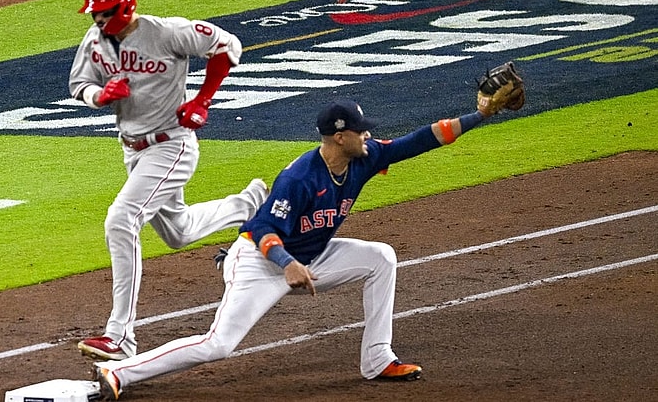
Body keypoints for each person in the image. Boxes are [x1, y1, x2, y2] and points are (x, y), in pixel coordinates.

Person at [91, 93, 520, 400]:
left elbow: (420, 140)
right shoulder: (299, 179)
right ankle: (119, 373)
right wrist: (287, 264)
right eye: (359, 131)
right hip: (260, 261)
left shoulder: (365, 156)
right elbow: (262, 229)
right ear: (337, 137)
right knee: (219, 344)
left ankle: (377, 358)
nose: (367, 135)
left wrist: (480, 114)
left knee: (380, 258)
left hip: (312, 256)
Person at [68, 0, 268, 361]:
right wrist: (100, 94)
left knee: (120, 220)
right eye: (95, 13)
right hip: (132, 150)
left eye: (105, 12)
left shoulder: (168, 33)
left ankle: (120, 336)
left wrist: (202, 100)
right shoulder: (95, 40)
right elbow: (80, 84)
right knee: (178, 232)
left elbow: (228, 46)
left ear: (126, 5)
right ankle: (248, 206)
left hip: (171, 145)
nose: (98, 21)